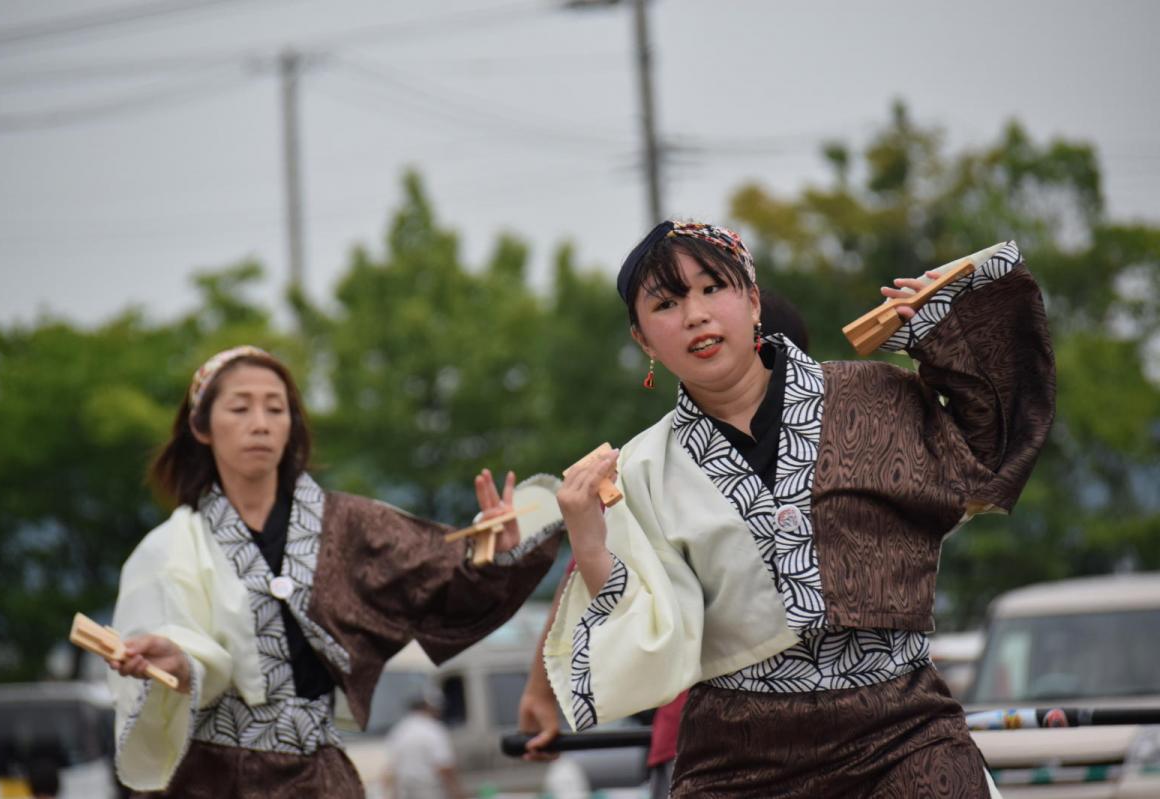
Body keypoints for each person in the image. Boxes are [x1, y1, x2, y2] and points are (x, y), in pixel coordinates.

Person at [541, 221, 1055, 797]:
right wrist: (588, 536)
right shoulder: (639, 471)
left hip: (901, 728)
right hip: (739, 755)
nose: (695, 315)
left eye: (713, 288)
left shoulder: (877, 397)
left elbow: (984, 455)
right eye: (667, 303)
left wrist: (945, 336)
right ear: (643, 340)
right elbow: (649, 637)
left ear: (753, 300)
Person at [106, 345, 562, 797]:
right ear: (200, 426)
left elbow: (442, 580)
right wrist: (177, 662)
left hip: (316, 780)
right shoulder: (167, 550)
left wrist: (493, 551)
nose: (260, 423)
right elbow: (165, 652)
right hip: (207, 781)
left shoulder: (348, 527)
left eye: (276, 408)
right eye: (240, 408)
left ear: (291, 425)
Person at [516, 289, 811, 799]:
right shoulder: (659, 464)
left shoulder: (830, 436)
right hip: (716, 736)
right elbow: (594, 573)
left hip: (852, 725)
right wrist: (540, 692)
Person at [384, 690, 464, 799]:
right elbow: (444, 766)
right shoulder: (433, 730)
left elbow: (392, 769)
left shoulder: (399, 730)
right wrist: (457, 792)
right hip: (429, 791)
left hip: (405, 792)